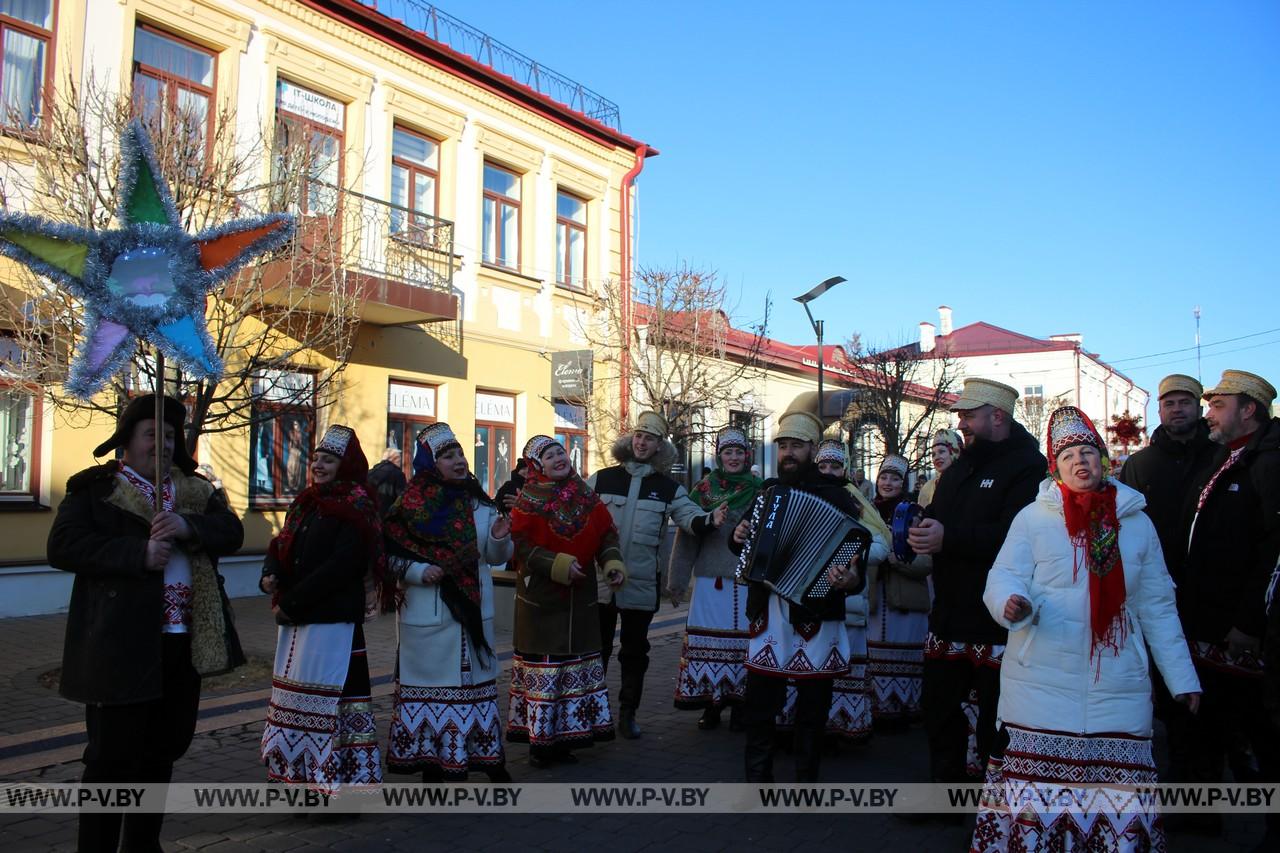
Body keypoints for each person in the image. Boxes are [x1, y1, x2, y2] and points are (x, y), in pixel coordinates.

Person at [974, 406, 1200, 851]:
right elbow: (1001, 578)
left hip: (1119, 686)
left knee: (1115, 810)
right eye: (1069, 455)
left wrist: (1182, 679)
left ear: (1104, 459)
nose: (1081, 462)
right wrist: (1010, 603)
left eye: (1088, 452)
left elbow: (1157, 607)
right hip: (1040, 685)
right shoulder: (1033, 518)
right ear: (1055, 467)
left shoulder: (1136, 523)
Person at [48, 394, 245, 852]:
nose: (163, 443)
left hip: (180, 644)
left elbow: (232, 532)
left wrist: (186, 527)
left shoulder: (195, 491)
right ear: (129, 441)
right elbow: (63, 546)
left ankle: (142, 844)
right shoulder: (97, 490)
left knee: (161, 753)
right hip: (119, 647)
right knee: (110, 761)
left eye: (171, 436)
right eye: (153, 434)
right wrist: (136, 554)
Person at [908, 378, 1046, 793]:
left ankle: (993, 803)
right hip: (949, 614)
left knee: (993, 718)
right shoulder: (962, 466)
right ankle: (943, 795)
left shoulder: (1029, 467)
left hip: (996, 619)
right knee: (940, 711)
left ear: (998, 416)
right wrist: (919, 522)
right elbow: (939, 510)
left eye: (969, 415)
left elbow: (1016, 535)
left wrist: (949, 537)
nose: (962, 423)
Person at [730, 410, 866, 781]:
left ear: (812, 449)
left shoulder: (837, 496)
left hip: (817, 611)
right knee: (761, 699)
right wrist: (738, 534)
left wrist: (850, 577)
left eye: (796, 446)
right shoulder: (768, 491)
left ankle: (806, 778)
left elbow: (857, 556)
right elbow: (742, 543)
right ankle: (758, 779)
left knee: (814, 701)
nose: (788, 453)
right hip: (770, 609)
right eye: (783, 446)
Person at [1179, 370, 1280, 845]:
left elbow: (1273, 551)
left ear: (1249, 410)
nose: (1208, 413)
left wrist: (1248, 622)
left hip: (1244, 634)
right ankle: (1204, 819)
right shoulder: (1227, 459)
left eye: (1219, 405)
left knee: (1261, 737)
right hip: (1210, 625)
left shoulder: (1269, 463)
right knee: (1213, 731)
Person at [384, 423, 514, 782]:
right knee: (432, 697)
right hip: (428, 617)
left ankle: (487, 762)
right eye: (447, 456)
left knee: (474, 695)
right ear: (430, 462)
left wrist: (501, 538)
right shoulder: (409, 504)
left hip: (471, 618)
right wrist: (417, 570)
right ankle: (432, 768)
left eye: (459, 454)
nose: (458, 461)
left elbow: (493, 553)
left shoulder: (478, 500)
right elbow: (387, 556)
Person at [259, 425, 385, 794]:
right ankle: (298, 782)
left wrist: (291, 603)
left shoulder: (357, 507)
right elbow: (282, 544)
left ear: (345, 466)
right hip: (299, 621)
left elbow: (341, 566)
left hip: (332, 623)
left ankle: (336, 788)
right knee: (298, 702)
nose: (318, 466)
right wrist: (270, 573)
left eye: (328, 460)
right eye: (315, 459)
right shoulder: (306, 503)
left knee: (331, 707)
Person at [588, 411, 725, 739]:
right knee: (597, 649)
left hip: (641, 582)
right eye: (638, 435)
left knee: (635, 652)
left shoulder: (667, 488)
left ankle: (628, 713)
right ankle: (593, 714)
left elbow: (689, 517)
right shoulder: (602, 478)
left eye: (649, 438)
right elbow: (574, 513)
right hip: (600, 582)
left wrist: (710, 519)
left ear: (660, 446)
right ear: (630, 439)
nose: (641, 442)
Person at [1116, 373, 1217, 782]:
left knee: (1202, 700)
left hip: (1206, 593)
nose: (1177, 410)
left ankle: (1201, 796)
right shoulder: (1141, 464)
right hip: (1153, 593)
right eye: (1170, 403)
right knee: (1158, 695)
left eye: (1185, 402)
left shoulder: (1218, 455)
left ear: (1199, 408)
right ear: (1159, 410)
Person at [507, 435, 627, 767]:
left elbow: (606, 535)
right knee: (547, 671)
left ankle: (565, 738)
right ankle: (541, 745)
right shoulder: (527, 501)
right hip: (542, 601)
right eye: (549, 455)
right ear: (536, 466)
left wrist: (612, 564)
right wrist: (558, 564)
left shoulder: (585, 496)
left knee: (572, 670)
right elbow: (522, 547)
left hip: (580, 599)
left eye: (560, 451)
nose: (559, 458)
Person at [774, 438, 888, 745]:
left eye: (835, 466)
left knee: (841, 671)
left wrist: (853, 557)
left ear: (846, 469)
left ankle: (842, 729)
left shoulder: (855, 500)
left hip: (848, 600)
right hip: (810, 601)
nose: (827, 471)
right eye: (822, 465)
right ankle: (801, 730)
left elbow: (880, 544)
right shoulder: (806, 492)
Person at [667, 427, 764, 731]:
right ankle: (712, 704)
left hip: (748, 581)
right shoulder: (703, 491)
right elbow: (687, 539)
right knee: (711, 644)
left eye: (739, 452)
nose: (733, 458)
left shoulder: (761, 490)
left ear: (747, 455)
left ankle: (741, 704)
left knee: (746, 646)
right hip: (712, 584)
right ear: (719, 455)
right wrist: (677, 582)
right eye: (727, 452)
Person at [865, 454, 931, 726]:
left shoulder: (915, 513)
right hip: (874, 596)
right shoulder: (867, 511)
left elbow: (926, 561)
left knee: (902, 656)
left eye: (894, 478)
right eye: (884, 477)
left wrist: (897, 560)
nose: (888, 483)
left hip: (904, 598)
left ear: (903, 482)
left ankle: (902, 709)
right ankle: (875, 710)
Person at [917, 428, 962, 507]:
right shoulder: (927, 489)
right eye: (933, 454)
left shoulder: (969, 481)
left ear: (955, 451)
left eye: (941, 452)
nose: (936, 457)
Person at [368, 446, 407, 518]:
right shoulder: (398, 474)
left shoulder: (369, 473)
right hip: (388, 519)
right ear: (395, 459)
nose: (400, 463)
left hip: (371, 518)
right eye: (399, 460)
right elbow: (402, 499)